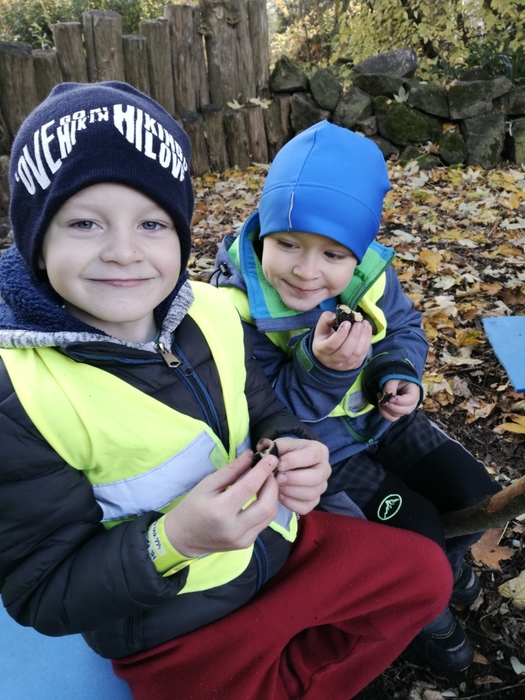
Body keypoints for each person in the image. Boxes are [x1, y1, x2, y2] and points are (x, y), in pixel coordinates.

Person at [0, 83, 453, 700]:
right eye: (84, 222)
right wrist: (172, 542)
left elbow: (264, 409)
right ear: (35, 238)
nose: (124, 252)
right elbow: (42, 593)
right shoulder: (21, 393)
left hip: (284, 549)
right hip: (175, 627)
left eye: (152, 223)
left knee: (424, 575)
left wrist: (294, 448)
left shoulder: (211, 312)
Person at [212, 119, 502, 675]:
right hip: (325, 454)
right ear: (263, 230)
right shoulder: (235, 309)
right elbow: (265, 412)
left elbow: (404, 328)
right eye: (287, 243)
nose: (306, 270)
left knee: (472, 492)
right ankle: (424, 609)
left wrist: (399, 374)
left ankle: (450, 566)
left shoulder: (370, 275)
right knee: (415, 535)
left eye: (333, 254)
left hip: (385, 422)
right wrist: (322, 369)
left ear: (359, 250)